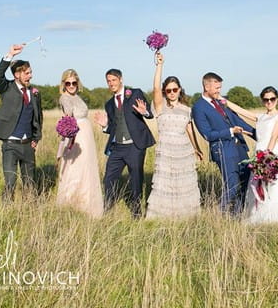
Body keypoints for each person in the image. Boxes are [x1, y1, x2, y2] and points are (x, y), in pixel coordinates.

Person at [226, 87, 278, 225]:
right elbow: (243, 112)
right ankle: (260, 214)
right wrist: (226, 102)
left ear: (277, 99)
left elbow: (274, 136)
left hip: (270, 154)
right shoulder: (260, 117)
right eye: (266, 99)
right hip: (259, 153)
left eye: (272, 99)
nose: (269, 102)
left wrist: (265, 157)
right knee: (258, 184)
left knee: (274, 186)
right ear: (262, 101)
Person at [146, 52, 202, 219]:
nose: (171, 92)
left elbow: (190, 130)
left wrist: (197, 149)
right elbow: (155, 88)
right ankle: (164, 215)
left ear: (179, 90)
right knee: (166, 183)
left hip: (183, 151)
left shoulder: (187, 109)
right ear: (165, 91)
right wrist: (159, 65)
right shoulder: (160, 105)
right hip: (166, 150)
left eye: (174, 89)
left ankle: (184, 215)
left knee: (182, 183)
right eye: (168, 90)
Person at [191, 72, 256, 215]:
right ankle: (219, 216)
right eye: (216, 88)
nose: (219, 91)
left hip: (240, 149)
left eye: (220, 88)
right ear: (206, 86)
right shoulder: (198, 108)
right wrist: (230, 131)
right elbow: (207, 134)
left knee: (245, 183)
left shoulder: (222, 102)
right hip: (223, 151)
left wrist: (258, 134)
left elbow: (238, 121)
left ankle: (238, 216)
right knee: (232, 185)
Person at [94, 69, 155, 218]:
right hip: (117, 148)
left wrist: (144, 112)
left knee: (135, 180)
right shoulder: (109, 104)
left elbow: (150, 114)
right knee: (109, 178)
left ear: (120, 79)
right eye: (108, 81)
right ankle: (108, 209)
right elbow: (114, 127)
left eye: (113, 80)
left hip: (135, 146)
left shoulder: (135, 93)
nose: (111, 83)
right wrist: (104, 126)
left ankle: (136, 213)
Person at [0, 44, 42, 203]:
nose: (30, 76)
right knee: (10, 182)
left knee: (29, 183)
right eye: (27, 73)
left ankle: (29, 212)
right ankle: (7, 211)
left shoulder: (35, 93)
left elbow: (38, 117)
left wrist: (36, 138)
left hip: (28, 145)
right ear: (17, 74)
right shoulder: (6, 88)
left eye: (31, 72)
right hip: (10, 144)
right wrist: (10, 54)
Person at [55, 69, 104, 218]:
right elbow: (68, 114)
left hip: (86, 136)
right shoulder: (64, 98)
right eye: (68, 83)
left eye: (73, 82)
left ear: (77, 83)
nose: (71, 85)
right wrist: (68, 126)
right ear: (63, 84)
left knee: (87, 169)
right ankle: (72, 203)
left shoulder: (77, 96)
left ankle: (87, 203)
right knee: (75, 169)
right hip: (76, 137)